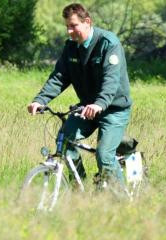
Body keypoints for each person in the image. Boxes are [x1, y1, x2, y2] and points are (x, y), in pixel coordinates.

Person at [27, 3, 132, 187]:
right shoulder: (71, 48)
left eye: (73, 26)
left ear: (87, 22)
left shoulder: (108, 44)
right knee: (65, 140)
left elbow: (111, 81)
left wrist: (99, 104)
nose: (69, 31)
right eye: (67, 26)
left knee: (104, 155)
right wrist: (40, 100)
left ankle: (121, 203)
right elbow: (59, 77)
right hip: (87, 108)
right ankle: (78, 189)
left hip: (114, 109)